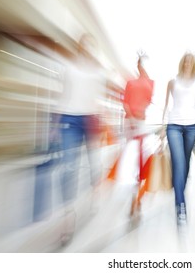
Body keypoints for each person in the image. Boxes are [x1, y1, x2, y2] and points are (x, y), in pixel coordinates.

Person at [54, 34, 107, 243]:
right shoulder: (68, 67)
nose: (87, 47)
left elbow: (99, 99)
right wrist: (56, 122)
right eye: (83, 43)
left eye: (91, 44)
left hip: (90, 120)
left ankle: (95, 192)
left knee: (94, 164)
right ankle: (68, 215)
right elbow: (63, 94)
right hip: (69, 118)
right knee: (68, 167)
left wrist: (100, 124)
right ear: (79, 46)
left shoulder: (98, 72)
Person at [162, 53, 195, 225]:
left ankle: (179, 189)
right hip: (174, 127)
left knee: (185, 165)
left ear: (194, 64)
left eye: (190, 61)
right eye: (185, 60)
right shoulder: (172, 82)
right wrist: (161, 128)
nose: (187, 63)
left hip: (192, 127)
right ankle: (181, 205)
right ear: (182, 63)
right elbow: (166, 106)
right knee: (179, 163)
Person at [122, 54, 154, 217]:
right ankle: (132, 194)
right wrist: (132, 117)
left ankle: (137, 197)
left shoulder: (151, 83)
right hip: (130, 122)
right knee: (131, 158)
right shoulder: (130, 82)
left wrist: (140, 112)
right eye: (141, 64)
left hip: (140, 124)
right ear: (138, 65)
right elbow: (125, 101)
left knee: (140, 159)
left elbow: (148, 100)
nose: (143, 67)